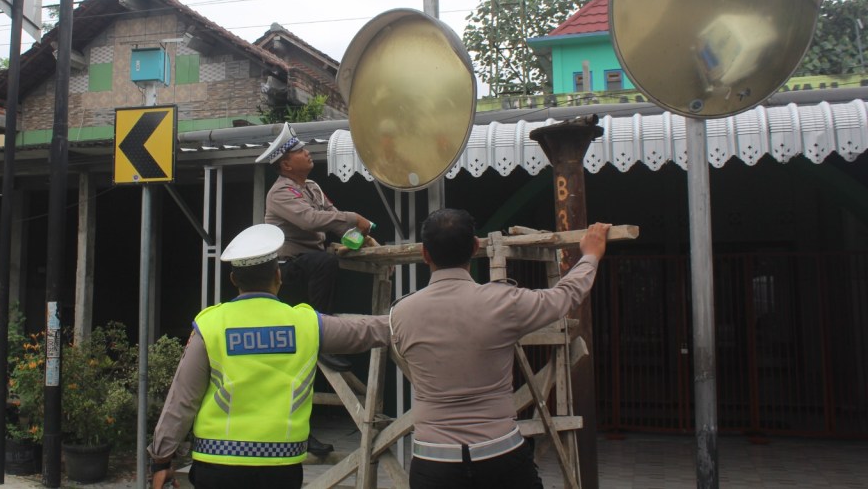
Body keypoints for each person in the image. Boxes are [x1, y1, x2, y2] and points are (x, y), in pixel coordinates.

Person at [149, 223, 389, 489]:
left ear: (234, 280)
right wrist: (417, 315)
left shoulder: (210, 325)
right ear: (278, 276)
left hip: (217, 465)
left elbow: (181, 400)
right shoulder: (306, 323)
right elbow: (368, 331)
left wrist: (161, 459)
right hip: (281, 468)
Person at [389, 208, 611, 489]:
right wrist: (590, 255)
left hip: (433, 461)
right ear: (475, 247)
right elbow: (565, 296)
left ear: (424, 253)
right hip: (499, 455)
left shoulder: (401, 313)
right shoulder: (504, 302)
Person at [259, 122, 376, 373]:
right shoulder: (279, 192)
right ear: (286, 165)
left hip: (311, 263)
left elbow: (336, 222)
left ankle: (324, 330)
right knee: (325, 262)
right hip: (285, 267)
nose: (307, 152)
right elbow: (310, 219)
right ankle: (321, 338)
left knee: (330, 260)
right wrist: (355, 217)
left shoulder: (313, 187)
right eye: (300, 151)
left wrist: (360, 236)